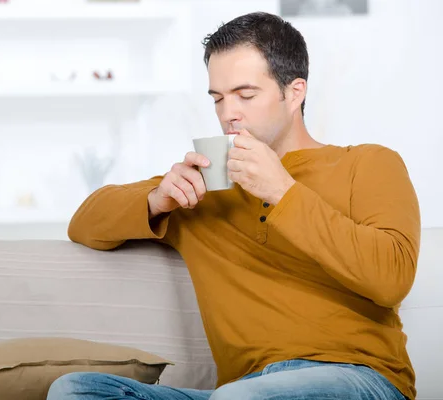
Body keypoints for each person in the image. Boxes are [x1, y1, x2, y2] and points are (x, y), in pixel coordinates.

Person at [48, 11, 419, 400]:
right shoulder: (205, 187)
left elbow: (391, 278)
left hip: (359, 380)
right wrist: (156, 200)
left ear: (294, 92)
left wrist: (282, 191)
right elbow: (84, 223)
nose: (229, 114)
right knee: (76, 390)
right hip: (242, 390)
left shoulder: (367, 164)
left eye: (245, 95)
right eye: (218, 99)